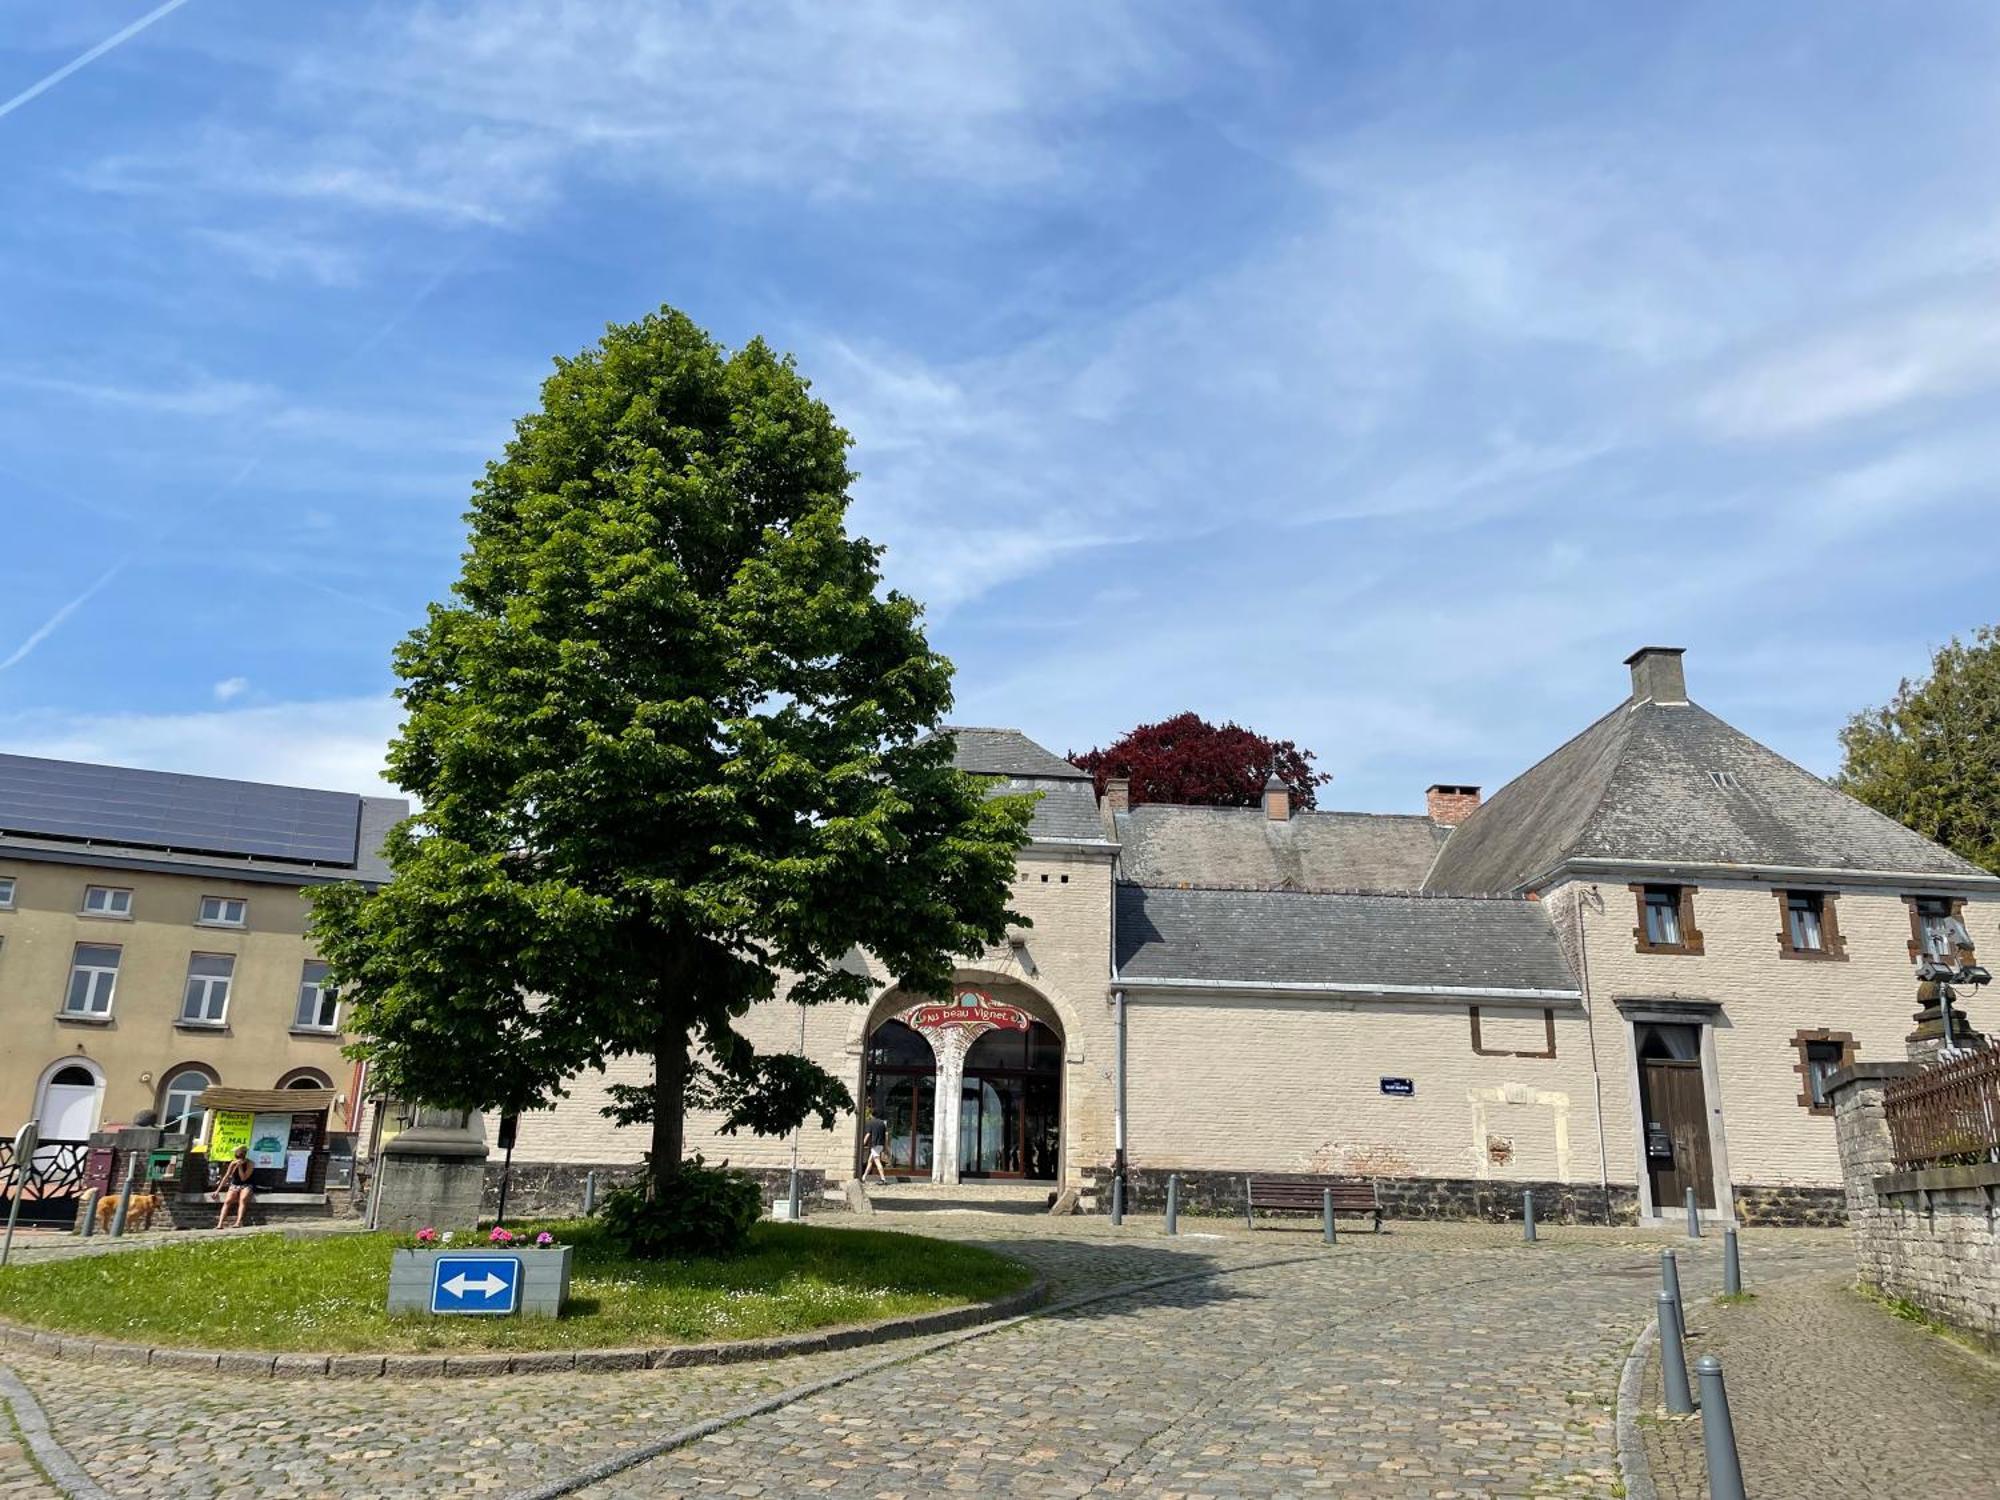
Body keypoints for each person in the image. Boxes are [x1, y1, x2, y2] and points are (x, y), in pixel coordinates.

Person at [214, 1146, 255, 1229]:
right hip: (234, 1185)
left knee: (242, 1200)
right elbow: (226, 1176)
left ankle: (238, 1222)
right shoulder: (233, 1163)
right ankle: (220, 1223)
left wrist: (240, 1167)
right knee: (227, 1201)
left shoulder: (250, 1163)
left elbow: (244, 1178)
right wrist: (217, 1190)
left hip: (246, 1185)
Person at [863, 1110, 890, 1183]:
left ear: (872, 1115)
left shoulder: (870, 1122)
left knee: (877, 1161)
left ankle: (883, 1179)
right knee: (870, 1161)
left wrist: (863, 1144)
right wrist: (886, 1146)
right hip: (880, 1145)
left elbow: (868, 1135)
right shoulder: (883, 1123)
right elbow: (886, 1135)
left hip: (875, 1145)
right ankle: (864, 1177)